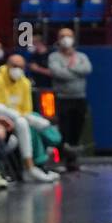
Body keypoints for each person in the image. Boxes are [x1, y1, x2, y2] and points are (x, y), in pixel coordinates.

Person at [0, 54, 59, 182]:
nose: (17, 69)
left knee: (41, 124)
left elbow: (27, 110)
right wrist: (17, 116)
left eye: (21, 67)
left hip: (20, 118)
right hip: (0, 118)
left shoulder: (25, 83)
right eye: (14, 66)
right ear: (7, 65)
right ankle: (30, 167)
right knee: (22, 122)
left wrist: (27, 118)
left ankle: (40, 165)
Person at [48, 27, 91, 165]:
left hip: (79, 97)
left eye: (69, 36)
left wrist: (68, 68)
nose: (66, 39)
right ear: (58, 40)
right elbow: (58, 73)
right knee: (63, 129)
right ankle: (61, 159)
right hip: (62, 98)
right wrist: (75, 72)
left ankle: (73, 159)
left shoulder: (81, 56)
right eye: (62, 36)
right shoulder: (53, 57)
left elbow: (87, 69)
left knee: (77, 127)